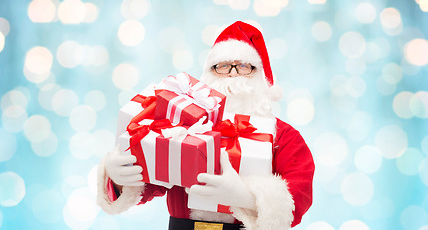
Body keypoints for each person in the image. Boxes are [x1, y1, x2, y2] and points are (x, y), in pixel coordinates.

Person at [97, 21, 315, 230]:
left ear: (260, 76)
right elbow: (152, 176)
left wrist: (245, 197)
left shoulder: (284, 136)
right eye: (222, 66)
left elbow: (299, 195)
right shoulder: (180, 125)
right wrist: (118, 177)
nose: (232, 73)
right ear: (208, 74)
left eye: (243, 66)